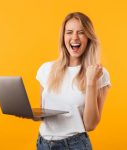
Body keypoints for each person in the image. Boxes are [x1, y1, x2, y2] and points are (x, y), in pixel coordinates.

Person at [36, 12, 111, 150]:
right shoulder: (46, 69)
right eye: (69, 32)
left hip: (74, 145)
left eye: (81, 32)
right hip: (43, 143)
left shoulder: (99, 73)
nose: (74, 37)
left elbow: (90, 125)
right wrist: (28, 112)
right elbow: (43, 113)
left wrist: (91, 82)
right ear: (63, 37)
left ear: (88, 37)